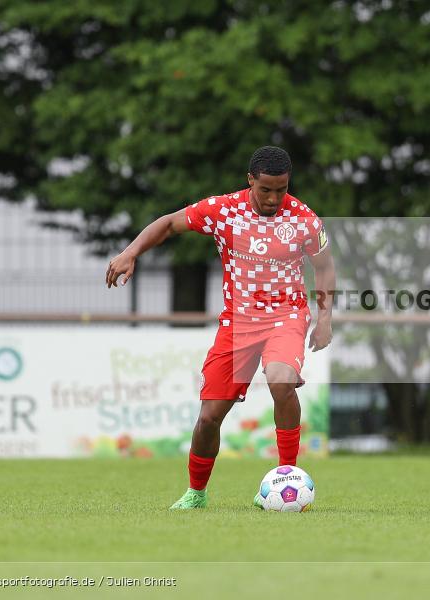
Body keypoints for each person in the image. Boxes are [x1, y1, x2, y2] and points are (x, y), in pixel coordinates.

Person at [106, 146, 335, 509]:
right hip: (238, 324)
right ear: (250, 180)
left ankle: (286, 477)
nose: (274, 198)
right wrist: (131, 251)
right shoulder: (224, 210)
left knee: (280, 379)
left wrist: (324, 317)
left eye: (281, 189)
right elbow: (168, 223)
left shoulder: (304, 220)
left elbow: (324, 267)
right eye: (266, 190)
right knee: (209, 417)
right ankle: (196, 492)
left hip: (285, 316)